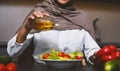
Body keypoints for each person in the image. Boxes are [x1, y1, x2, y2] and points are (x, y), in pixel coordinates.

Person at [7, 0, 100, 65]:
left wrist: (95, 56)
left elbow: (92, 51)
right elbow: (13, 52)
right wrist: (26, 28)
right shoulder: (38, 16)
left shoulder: (81, 18)